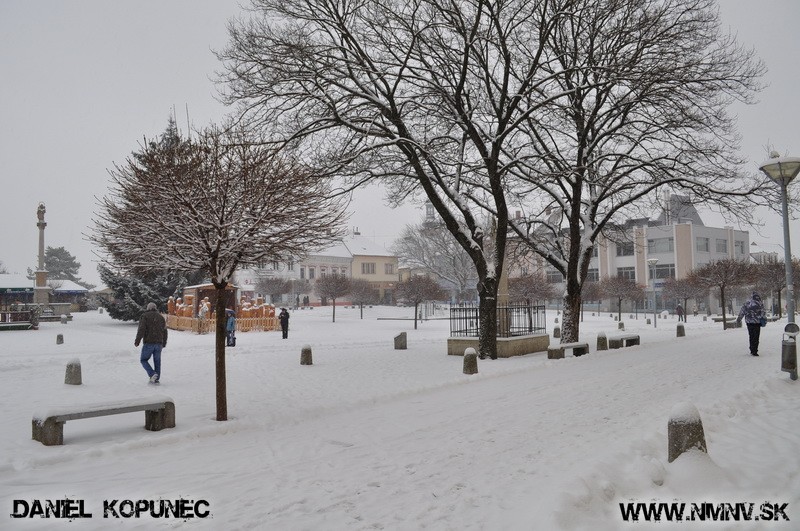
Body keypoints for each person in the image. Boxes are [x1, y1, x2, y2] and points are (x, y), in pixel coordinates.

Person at [135, 302, 168, 383]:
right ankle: (156, 379)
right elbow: (165, 331)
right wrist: (164, 342)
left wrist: (137, 340)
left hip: (149, 342)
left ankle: (152, 374)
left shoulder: (145, 316)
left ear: (148, 308)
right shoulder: (161, 317)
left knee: (143, 360)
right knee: (157, 362)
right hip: (159, 343)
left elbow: (141, 329)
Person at [736, 292, 766, 357]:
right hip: (757, 323)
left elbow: (742, 311)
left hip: (749, 322)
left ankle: (752, 349)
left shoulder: (747, 303)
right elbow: (763, 312)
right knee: (756, 337)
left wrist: (739, 319)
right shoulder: (760, 303)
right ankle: (755, 350)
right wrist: (763, 319)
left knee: (751, 336)